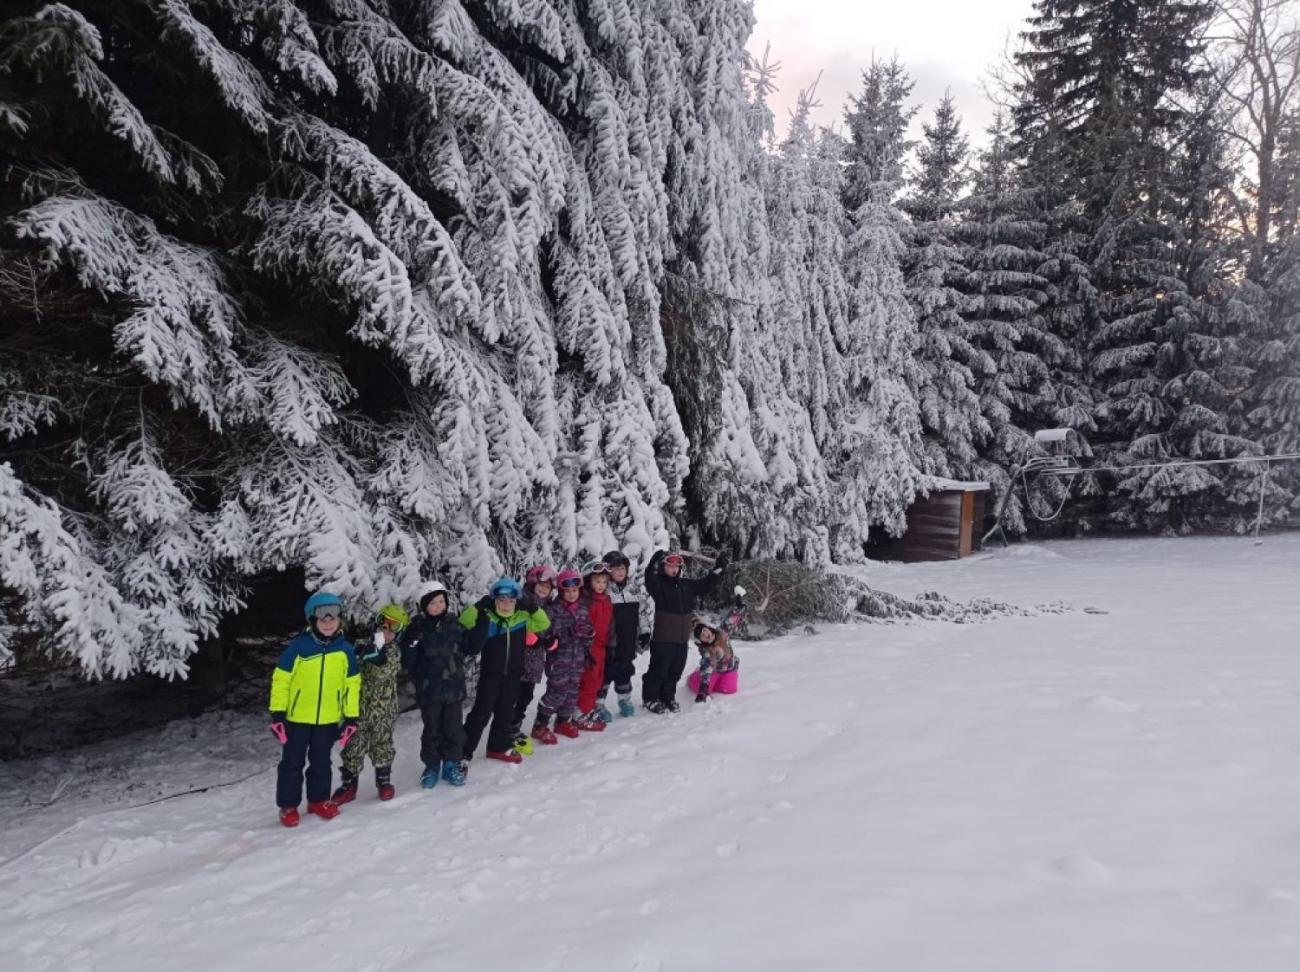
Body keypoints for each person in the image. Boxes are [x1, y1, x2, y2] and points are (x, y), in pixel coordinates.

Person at [268, 591, 360, 827]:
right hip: (297, 719)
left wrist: (351, 717)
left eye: (333, 618)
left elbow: (352, 684)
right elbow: (281, 680)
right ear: (312, 620)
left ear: (340, 619)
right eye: (322, 618)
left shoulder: (345, 651)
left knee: (321, 762)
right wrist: (278, 713)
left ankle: (318, 800)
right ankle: (288, 805)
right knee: (292, 763)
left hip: (328, 719)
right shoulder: (298, 647)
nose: (328, 623)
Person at [459, 577, 551, 768]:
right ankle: (462, 752)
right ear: (494, 600)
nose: (506, 604)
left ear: (517, 601)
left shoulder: (522, 619)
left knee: (506, 712)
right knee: (480, 714)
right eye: (501, 600)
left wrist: (531, 606)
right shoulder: (489, 620)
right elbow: (464, 622)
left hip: (513, 675)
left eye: (511, 600)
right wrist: (479, 606)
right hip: (490, 676)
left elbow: (543, 623)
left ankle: (497, 747)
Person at [401, 582, 474, 787]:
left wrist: (480, 627)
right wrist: (412, 643)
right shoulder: (417, 628)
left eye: (442, 601)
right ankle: (432, 765)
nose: (438, 606)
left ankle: (451, 763)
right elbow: (408, 662)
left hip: (453, 689)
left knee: (453, 729)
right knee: (432, 729)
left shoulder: (454, 623)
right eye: (433, 603)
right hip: (429, 691)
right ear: (423, 606)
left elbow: (468, 647)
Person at [334, 603, 408, 803]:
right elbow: (347, 667)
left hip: (383, 710)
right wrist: (358, 652)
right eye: (383, 623)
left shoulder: (393, 652)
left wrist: (375, 655)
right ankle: (349, 784)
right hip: (357, 709)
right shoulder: (362, 643)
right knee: (353, 745)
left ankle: (383, 780)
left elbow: (385, 670)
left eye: (394, 627)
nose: (387, 630)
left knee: (382, 744)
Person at [641, 549, 727, 713]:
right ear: (663, 566)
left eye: (676, 566)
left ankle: (668, 696)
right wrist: (653, 562)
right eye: (669, 565)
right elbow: (649, 580)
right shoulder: (658, 585)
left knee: (675, 671)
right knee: (658, 671)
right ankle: (650, 698)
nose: (673, 569)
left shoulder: (686, 585)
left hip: (681, 640)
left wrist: (719, 569)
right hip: (663, 639)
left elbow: (705, 585)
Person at [531, 568, 595, 742]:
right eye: (568, 591)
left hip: (577, 659)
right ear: (560, 591)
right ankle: (540, 725)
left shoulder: (582, 609)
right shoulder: (553, 610)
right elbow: (545, 632)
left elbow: (588, 633)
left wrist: (588, 634)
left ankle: (562, 721)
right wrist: (564, 632)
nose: (572, 594)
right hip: (559, 659)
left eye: (575, 590)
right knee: (556, 692)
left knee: (572, 692)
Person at [509, 565, 557, 755]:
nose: (544, 589)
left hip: (535, 661)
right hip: (517, 658)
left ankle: (514, 727)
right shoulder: (521, 600)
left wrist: (550, 641)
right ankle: (506, 729)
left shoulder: (547, 606)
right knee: (513, 696)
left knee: (526, 696)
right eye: (541, 585)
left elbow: (547, 630)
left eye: (548, 587)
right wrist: (529, 637)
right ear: (532, 583)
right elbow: (513, 622)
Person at [597, 549, 641, 719]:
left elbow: (642, 612)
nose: (620, 572)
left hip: (628, 641)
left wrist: (644, 632)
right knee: (606, 673)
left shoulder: (633, 589)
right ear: (608, 571)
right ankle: (598, 704)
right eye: (615, 569)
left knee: (625, 671)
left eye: (622, 568)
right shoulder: (604, 591)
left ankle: (624, 700)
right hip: (609, 642)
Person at [687, 586, 747, 701]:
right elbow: (706, 667)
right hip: (714, 670)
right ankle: (695, 676)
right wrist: (703, 688)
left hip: (730, 668)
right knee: (697, 688)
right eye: (702, 636)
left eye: (705, 631)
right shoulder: (706, 650)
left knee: (729, 690)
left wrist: (738, 607)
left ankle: (720, 681)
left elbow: (731, 619)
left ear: (708, 628)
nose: (705, 634)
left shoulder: (722, 632)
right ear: (701, 640)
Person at [574, 560, 614, 729]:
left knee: (597, 680)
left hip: (601, 647)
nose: (601, 585)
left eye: (604, 582)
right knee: (589, 680)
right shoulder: (585, 600)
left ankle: (587, 709)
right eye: (597, 581)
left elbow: (609, 623)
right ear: (589, 581)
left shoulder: (606, 599)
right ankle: (580, 714)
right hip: (588, 647)